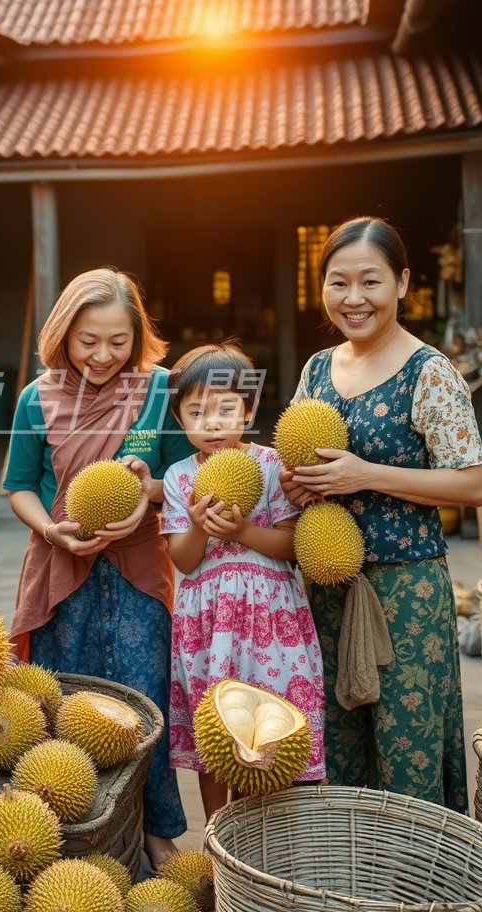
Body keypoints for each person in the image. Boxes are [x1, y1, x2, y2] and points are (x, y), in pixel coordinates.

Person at [281, 216, 482, 813]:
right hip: (328, 587)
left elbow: (474, 484)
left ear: (401, 283)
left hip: (407, 592)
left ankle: (419, 887)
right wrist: (300, 487)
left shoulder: (430, 373)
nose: (353, 298)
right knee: (340, 749)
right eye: (337, 282)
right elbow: (299, 463)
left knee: (410, 749)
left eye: (369, 281)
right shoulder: (317, 370)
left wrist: (362, 474)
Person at [3, 268, 194, 870]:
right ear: (64, 333)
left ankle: (156, 832)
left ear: (137, 337)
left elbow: (187, 480)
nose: (103, 355)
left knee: (145, 703)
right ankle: (72, 832)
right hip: (63, 572)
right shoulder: (37, 397)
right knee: (69, 707)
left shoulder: (162, 391)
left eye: (118, 341)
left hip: (139, 572)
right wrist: (49, 528)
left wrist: (148, 496)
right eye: (89, 341)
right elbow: (17, 488)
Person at [159, 342, 325, 819]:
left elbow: (291, 547)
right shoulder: (178, 478)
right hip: (207, 622)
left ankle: (259, 833)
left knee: (268, 728)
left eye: (225, 409)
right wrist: (196, 525)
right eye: (196, 412)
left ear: (249, 410)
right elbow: (184, 561)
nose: (211, 423)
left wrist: (242, 532)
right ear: (180, 419)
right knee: (215, 725)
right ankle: (216, 832)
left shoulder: (272, 465)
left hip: (269, 616)